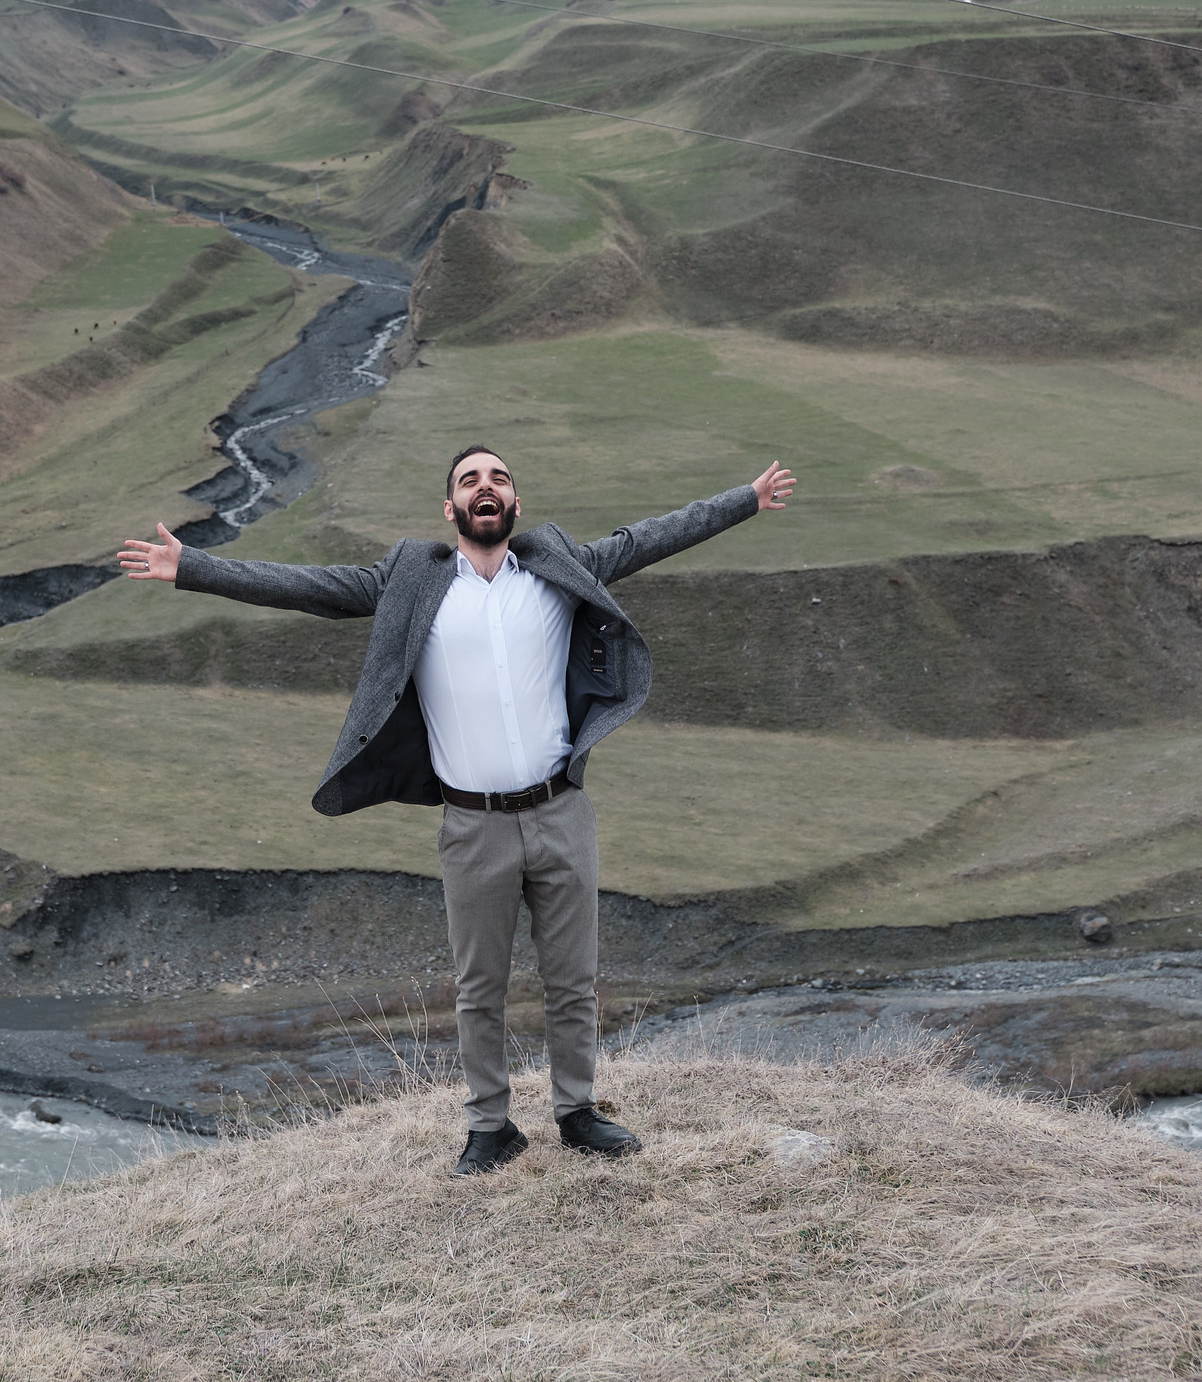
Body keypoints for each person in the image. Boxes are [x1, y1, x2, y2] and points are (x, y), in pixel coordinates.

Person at [119, 445, 794, 1174]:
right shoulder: (415, 577)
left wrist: (744, 498)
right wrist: (195, 567)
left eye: (498, 478)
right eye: (470, 479)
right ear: (451, 509)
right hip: (473, 826)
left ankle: (577, 1111)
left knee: (573, 978)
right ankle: (490, 1125)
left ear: (513, 504)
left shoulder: (557, 565)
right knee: (480, 986)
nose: (485, 488)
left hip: (562, 810)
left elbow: (650, 536)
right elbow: (312, 585)